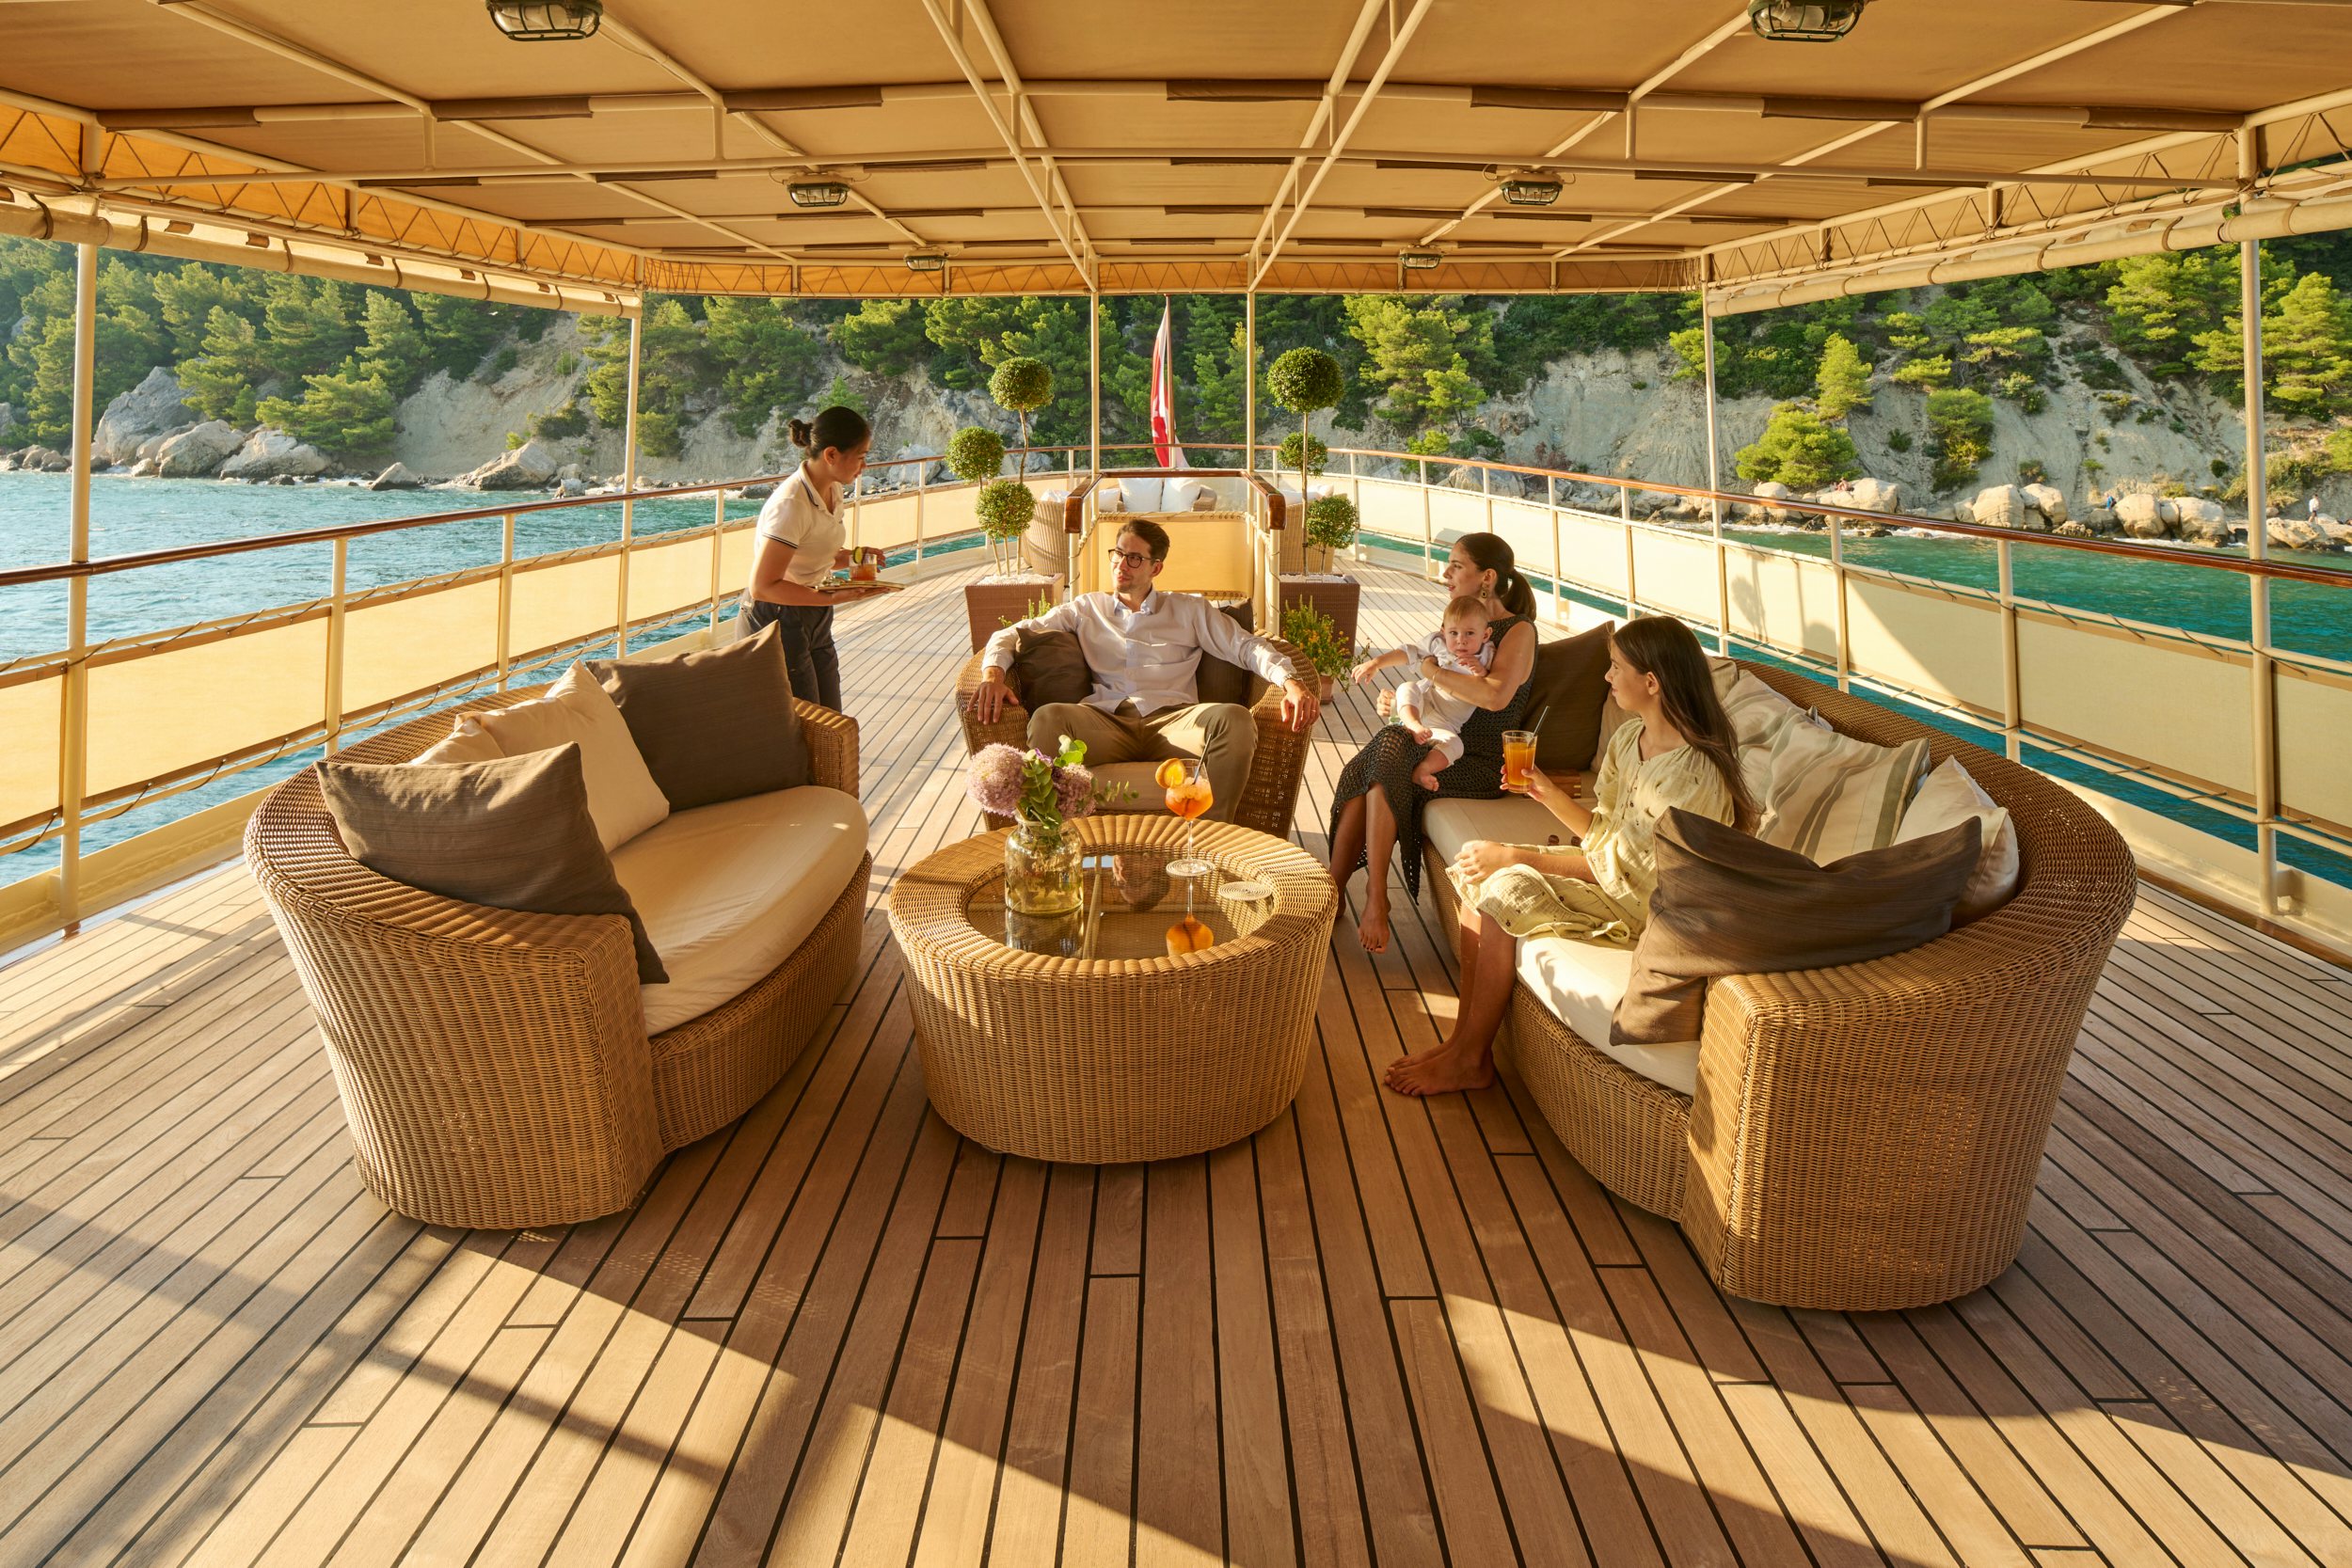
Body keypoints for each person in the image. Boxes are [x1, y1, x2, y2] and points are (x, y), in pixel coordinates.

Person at [1386, 615, 1755, 1097]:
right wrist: (1544, 792)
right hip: (1619, 879)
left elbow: (1632, 878)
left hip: (1657, 907)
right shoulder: (1631, 738)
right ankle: (1461, 1043)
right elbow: (1604, 833)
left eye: (1616, 668)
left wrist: (1517, 855)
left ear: (1651, 682)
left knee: (1504, 887)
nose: (1606, 678)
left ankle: (1470, 1059)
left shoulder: (1691, 776)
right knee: (1475, 872)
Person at [971, 517, 1318, 822]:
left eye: (1134, 558)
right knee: (1048, 718)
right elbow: (1012, 633)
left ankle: (1214, 838)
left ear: (1156, 567)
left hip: (1176, 723)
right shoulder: (1086, 608)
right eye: (1118, 554)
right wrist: (993, 675)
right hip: (1105, 723)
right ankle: (1051, 838)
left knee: (1235, 719)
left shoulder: (1189, 610)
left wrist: (1290, 682)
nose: (1122, 564)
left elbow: (1245, 646)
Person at [1327, 532, 1540, 955]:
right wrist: (1402, 705)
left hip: (1480, 761)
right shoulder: (1459, 625)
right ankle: (1348, 893)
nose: (1445, 572)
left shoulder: (1517, 631)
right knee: (1384, 751)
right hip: (1438, 742)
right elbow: (1426, 677)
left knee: (1383, 760)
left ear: (1487, 577)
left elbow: (1493, 695)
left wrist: (1429, 671)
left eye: (1457, 565)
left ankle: (1353, 896)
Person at [738, 404, 887, 711]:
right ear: (831, 455)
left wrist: (853, 558)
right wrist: (837, 597)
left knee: (830, 715)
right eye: (860, 456)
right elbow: (763, 586)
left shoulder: (831, 489)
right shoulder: (792, 504)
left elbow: (814, 552)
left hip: (811, 611)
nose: (864, 466)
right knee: (807, 724)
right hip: (776, 616)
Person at [1353, 594, 1495, 791]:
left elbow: (1490, 686)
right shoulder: (1439, 644)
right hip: (1420, 706)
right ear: (1443, 631)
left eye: (1470, 633)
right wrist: (1377, 663)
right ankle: (1410, 724)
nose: (1461, 640)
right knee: (1407, 687)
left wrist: (1481, 671)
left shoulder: (1486, 655)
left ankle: (1423, 770)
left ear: (1485, 635)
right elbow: (1409, 652)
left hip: (1445, 723)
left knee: (1456, 745)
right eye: (1453, 633)